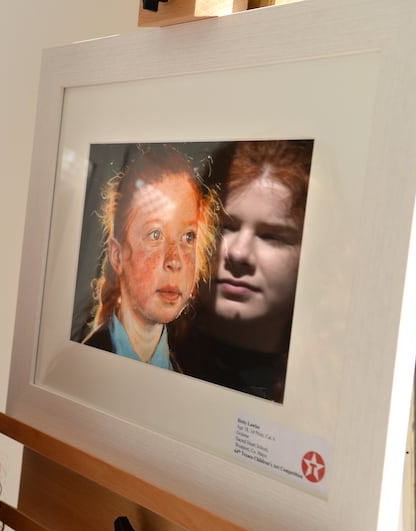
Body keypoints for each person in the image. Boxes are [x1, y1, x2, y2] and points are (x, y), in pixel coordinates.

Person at [174, 140, 313, 402]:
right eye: (224, 226)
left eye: (273, 236)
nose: (238, 253)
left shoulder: (322, 396)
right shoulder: (137, 344)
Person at [82, 144, 218, 371]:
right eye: (155, 234)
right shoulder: (83, 363)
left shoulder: (182, 375)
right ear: (117, 256)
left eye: (188, 236)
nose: (174, 260)